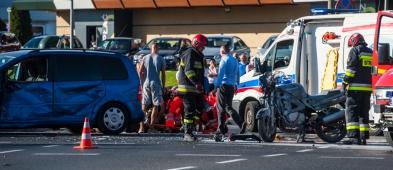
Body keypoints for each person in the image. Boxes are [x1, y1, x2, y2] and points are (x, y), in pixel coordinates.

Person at [341, 33, 373, 145]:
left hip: (355, 89)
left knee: (352, 112)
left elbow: (351, 70)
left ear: (354, 41)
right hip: (368, 89)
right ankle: (363, 138)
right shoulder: (371, 52)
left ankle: (353, 137)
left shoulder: (355, 51)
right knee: (364, 113)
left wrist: (344, 83)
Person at [212, 45, 247, 137]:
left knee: (221, 108)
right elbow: (237, 73)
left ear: (222, 51)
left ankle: (221, 129)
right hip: (231, 85)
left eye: (220, 51)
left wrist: (216, 86)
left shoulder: (223, 60)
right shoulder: (235, 60)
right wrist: (236, 84)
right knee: (229, 107)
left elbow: (220, 75)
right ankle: (241, 123)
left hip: (223, 85)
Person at [177, 34, 207, 141]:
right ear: (196, 44)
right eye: (202, 46)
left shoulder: (198, 55)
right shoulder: (190, 53)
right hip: (188, 88)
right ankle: (187, 133)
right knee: (189, 111)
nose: (203, 49)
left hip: (195, 89)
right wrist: (197, 83)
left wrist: (201, 86)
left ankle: (185, 127)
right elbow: (188, 71)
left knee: (200, 108)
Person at [138, 42, 166, 133]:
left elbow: (140, 72)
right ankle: (151, 127)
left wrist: (141, 83)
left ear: (151, 48)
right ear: (157, 49)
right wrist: (163, 86)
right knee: (155, 105)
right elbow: (163, 75)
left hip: (146, 83)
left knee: (144, 105)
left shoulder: (145, 58)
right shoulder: (160, 59)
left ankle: (141, 127)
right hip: (156, 83)